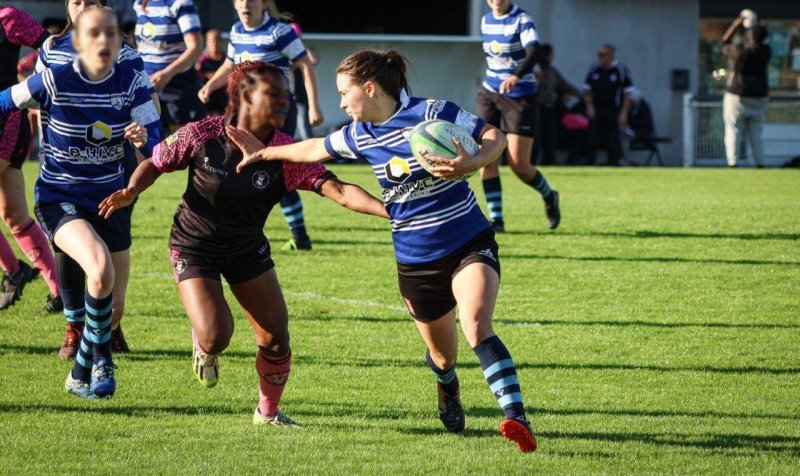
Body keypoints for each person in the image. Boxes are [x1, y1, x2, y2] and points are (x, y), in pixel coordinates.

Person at [227, 49, 539, 452]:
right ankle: (447, 385)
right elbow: (315, 148)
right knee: (443, 357)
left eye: (344, 93)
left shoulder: (432, 112)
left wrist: (473, 161)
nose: (340, 102)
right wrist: (265, 152)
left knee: (476, 324)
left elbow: (492, 135)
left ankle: (516, 417)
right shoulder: (360, 135)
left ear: (369, 88)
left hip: (468, 240)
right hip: (416, 260)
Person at [99, 61, 388, 425]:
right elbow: (157, 162)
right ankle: (205, 344)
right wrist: (131, 190)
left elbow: (342, 191)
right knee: (217, 335)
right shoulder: (202, 134)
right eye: (274, 95)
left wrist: (393, 211)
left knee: (276, 338)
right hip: (193, 246)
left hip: (246, 248)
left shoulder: (286, 151)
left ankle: (267, 415)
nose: (284, 102)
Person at [0, 5, 161, 398]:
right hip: (60, 198)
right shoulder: (53, 80)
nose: (103, 41)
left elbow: (158, 145)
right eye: (94, 33)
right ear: (77, 40)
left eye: (110, 32)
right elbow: (4, 101)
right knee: (100, 268)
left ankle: (80, 371)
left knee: (110, 295)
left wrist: (147, 140)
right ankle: (102, 357)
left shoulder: (131, 81)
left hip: (108, 197)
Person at [37, 0, 159, 357]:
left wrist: (146, 140)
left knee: (115, 246)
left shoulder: (127, 58)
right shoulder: (52, 51)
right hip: (65, 172)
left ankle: (111, 323)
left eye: (92, 2)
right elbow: (34, 100)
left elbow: (149, 109)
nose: (83, 7)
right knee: (69, 245)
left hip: (113, 170)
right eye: (77, 2)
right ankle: (76, 328)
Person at [198, 0, 326, 251]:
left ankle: (291, 234)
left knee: (272, 170)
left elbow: (305, 64)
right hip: (246, 114)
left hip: (276, 113)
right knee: (241, 168)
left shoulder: (279, 32)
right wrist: (210, 85)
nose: (246, 4)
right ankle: (289, 235)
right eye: (241, 0)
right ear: (234, 5)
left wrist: (314, 106)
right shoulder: (236, 30)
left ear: (264, 4)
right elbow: (230, 65)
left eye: (252, 0)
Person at [477, 0, 560, 233]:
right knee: (487, 157)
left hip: (520, 96)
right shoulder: (486, 20)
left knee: (519, 165)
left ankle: (550, 196)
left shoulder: (522, 20)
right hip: (490, 93)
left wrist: (515, 76)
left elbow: (535, 51)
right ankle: (497, 220)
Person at [0, 5, 62, 313]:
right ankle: (60, 290)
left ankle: (14, 271)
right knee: (14, 216)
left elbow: (50, 45)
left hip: (5, 122)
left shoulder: (8, 18)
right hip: (10, 125)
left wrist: (40, 87)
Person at [134, 0, 205, 133]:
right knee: (150, 146)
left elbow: (195, 47)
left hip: (178, 88)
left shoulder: (180, 4)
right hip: (147, 88)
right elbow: (142, 46)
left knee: (182, 146)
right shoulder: (139, 4)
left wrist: (167, 73)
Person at [721, 15, 771, 168]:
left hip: (738, 95)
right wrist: (756, 25)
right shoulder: (766, 51)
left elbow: (724, 43)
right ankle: (760, 163)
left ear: (751, 36)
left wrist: (736, 24)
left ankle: (733, 163)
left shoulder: (742, 52)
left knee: (733, 128)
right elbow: (759, 37)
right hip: (760, 97)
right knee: (756, 132)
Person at [583, 43, 634, 166]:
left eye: (602, 55)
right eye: (599, 55)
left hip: (613, 109)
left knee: (612, 138)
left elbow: (628, 93)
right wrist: (589, 106)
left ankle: (614, 162)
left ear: (610, 55)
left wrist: (624, 112)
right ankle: (590, 161)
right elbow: (586, 89)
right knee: (592, 137)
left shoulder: (620, 70)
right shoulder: (594, 69)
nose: (600, 58)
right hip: (597, 109)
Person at [535, 43, 581, 166]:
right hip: (538, 108)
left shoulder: (550, 71)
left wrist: (581, 95)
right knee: (538, 136)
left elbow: (564, 86)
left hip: (548, 108)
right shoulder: (538, 72)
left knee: (549, 135)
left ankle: (548, 160)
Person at [196, 29, 228, 116]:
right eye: (212, 40)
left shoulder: (227, 60)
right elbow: (197, 79)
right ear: (207, 42)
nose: (215, 43)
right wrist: (207, 76)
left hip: (224, 100)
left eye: (217, 40)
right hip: (208, 100)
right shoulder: (203, 60)